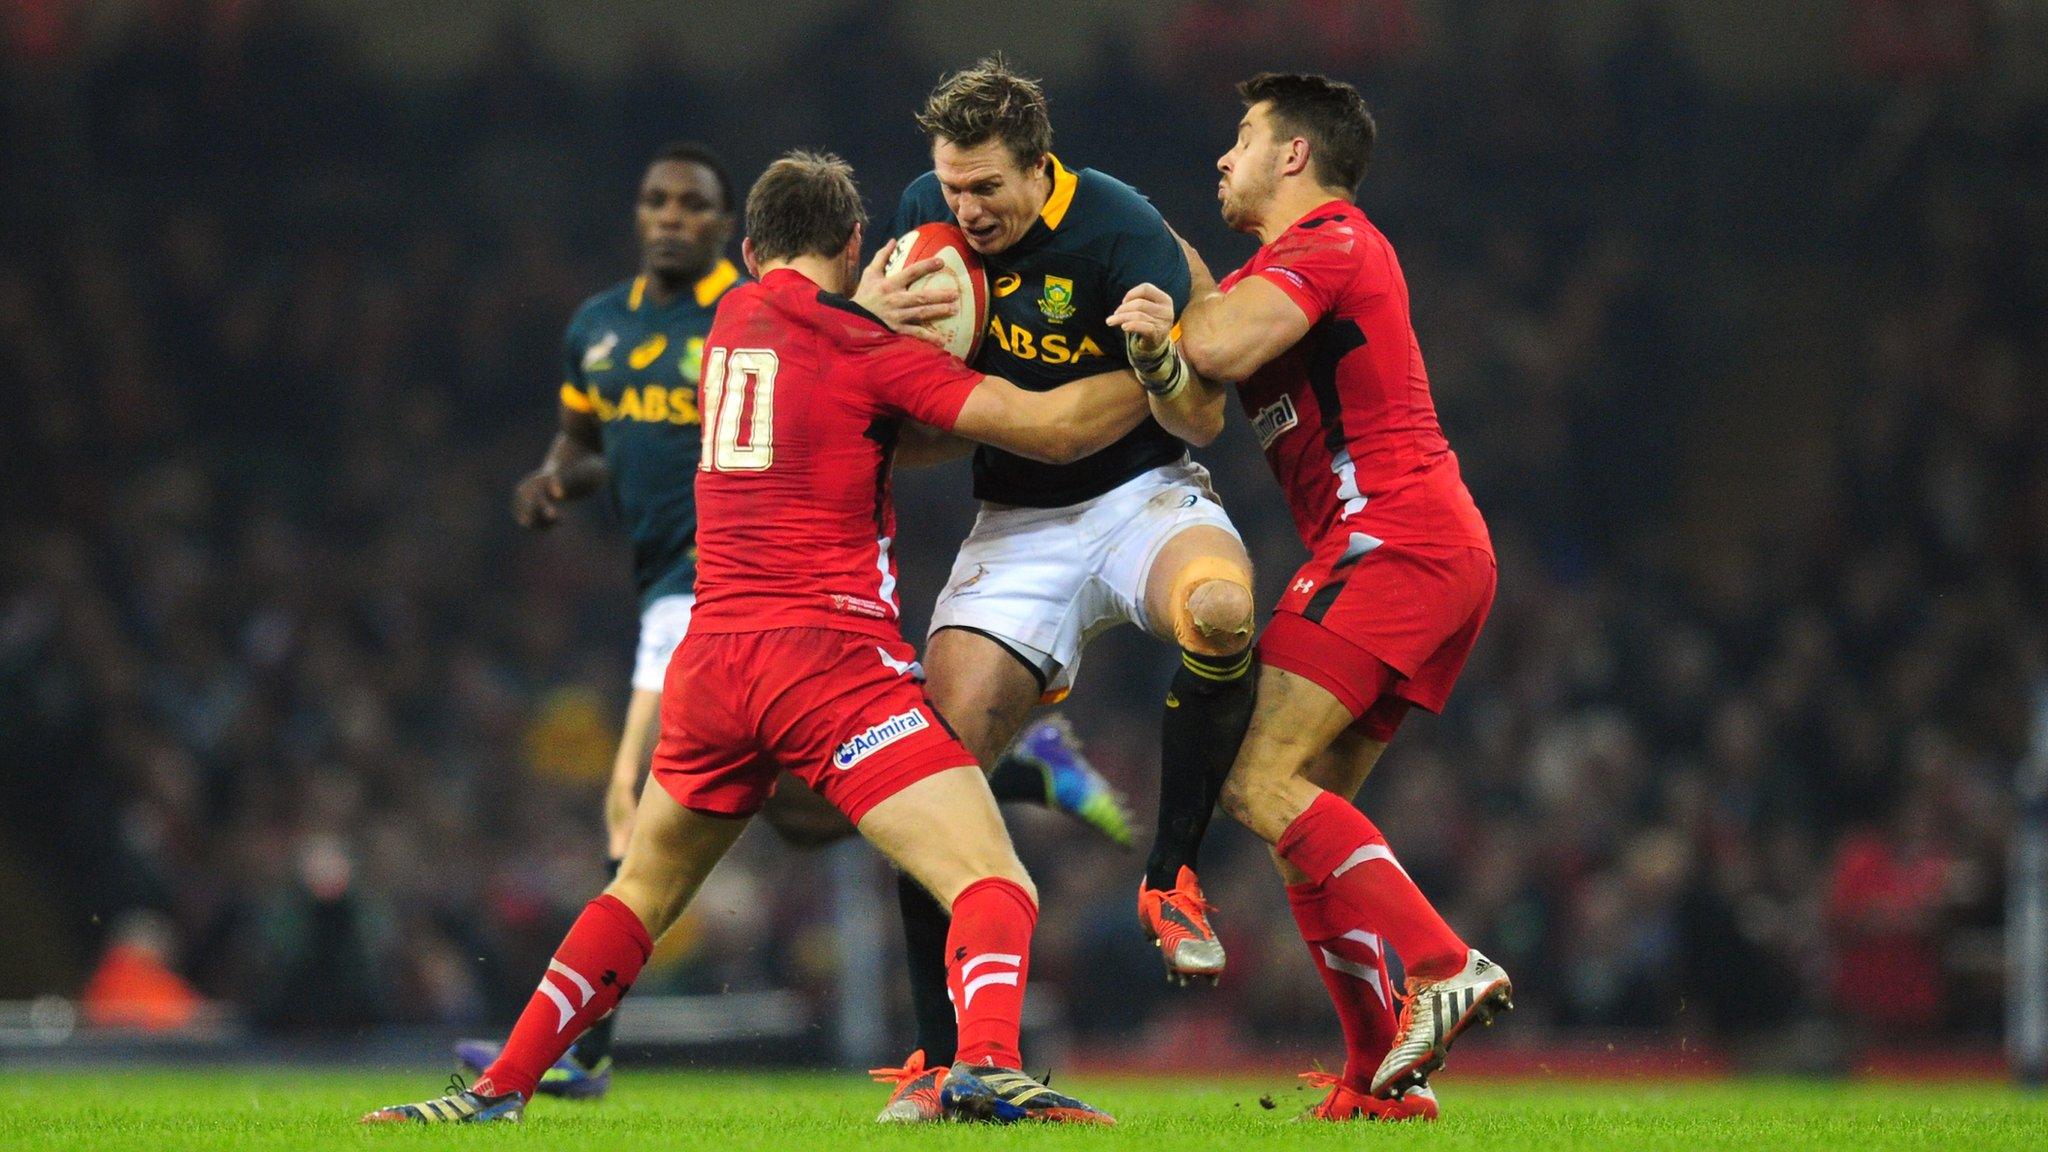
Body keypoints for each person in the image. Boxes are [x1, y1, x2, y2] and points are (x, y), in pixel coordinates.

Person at [363, 150, 1150, 1126]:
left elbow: (864, 420)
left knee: (640, 893)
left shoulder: (730, 317)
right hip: (824, 662)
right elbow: (1055, 429)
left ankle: (496, 1090)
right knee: (993, 880)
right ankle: (985, 1065)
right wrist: (1162, 367)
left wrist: (885, 330)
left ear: (744, 249)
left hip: (713, 661)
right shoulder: (860, 346)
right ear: (854, 243)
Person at [1107, 72, 1513, 1122]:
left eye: (1240, 137)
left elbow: (1218, 348)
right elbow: (1194, 399)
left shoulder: (1330, 241)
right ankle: (1374, 1076)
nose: (1220, 158)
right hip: (1423, 546)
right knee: (1302, 806)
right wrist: (1160, 348)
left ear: (1293, 154)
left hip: (1386, 543)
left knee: (1252, 778)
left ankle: (1438, 964)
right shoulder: (1280, 269)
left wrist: (1168, 316)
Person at [866, 57, 1261, 1122]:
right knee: (929, 782)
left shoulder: (1121, 230)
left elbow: (1203, 422)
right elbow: (896, 420)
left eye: (986, 187)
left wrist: (1158, 360)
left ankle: (1167, 877)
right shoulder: (922, 227)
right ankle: (934, 1059)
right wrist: (871, 324)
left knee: (1223, 614)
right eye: (952, 187)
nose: (965, 210)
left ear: (1040, 168)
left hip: (1142, 496)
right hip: (1018, 523)